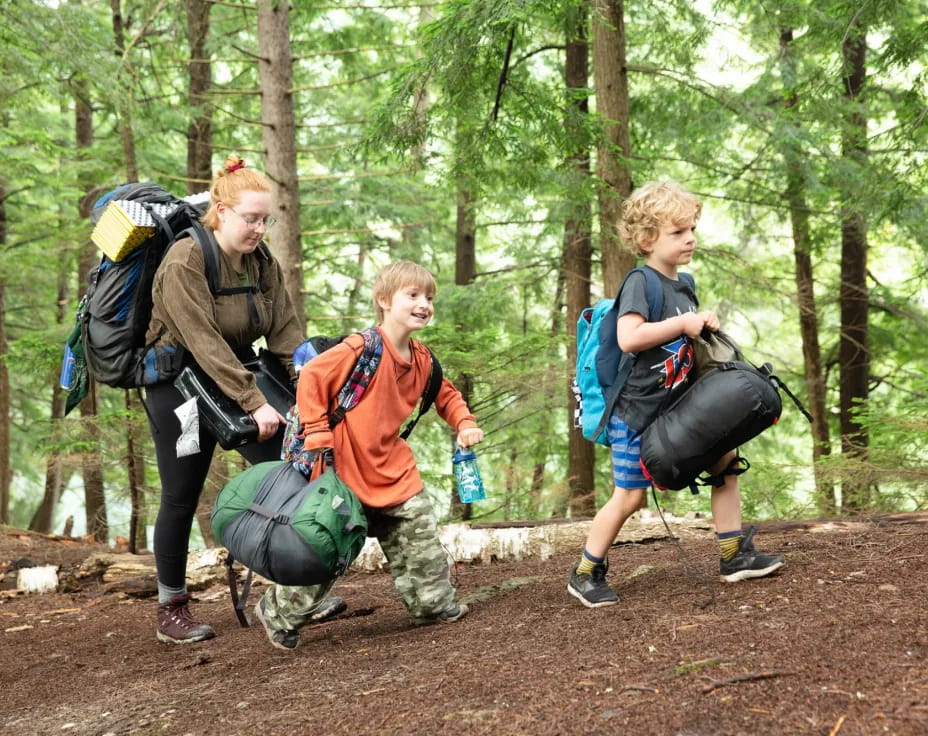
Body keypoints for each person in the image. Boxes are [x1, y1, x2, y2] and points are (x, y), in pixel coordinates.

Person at [145, 155, 341, 643]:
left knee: (290, 469)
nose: (259, 228)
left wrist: (310, 386)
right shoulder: (185, 260)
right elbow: (202, 340)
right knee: (181, 492)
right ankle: (171, 607)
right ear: (221, 210)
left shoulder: (261, 261)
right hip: (179, 387)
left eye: (265, 219)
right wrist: (254, 403)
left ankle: (293, 592)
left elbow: (285, 331)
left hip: (237, 377)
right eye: (251, 218)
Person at [567, 180, 784, 608]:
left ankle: (732, 554)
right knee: (629, 496)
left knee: (726, 463)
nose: (691, 239)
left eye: (693, 230)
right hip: (634, 414)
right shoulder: (640, 282)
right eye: (679, 232)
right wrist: (682, 326)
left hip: (678, 406)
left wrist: (702, 323)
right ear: (648, 238)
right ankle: (585, 571)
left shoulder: (683, 285)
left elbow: (687, 341)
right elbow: (630, 338)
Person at [253, 261, 484, 650]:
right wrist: (318, 433)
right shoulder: (361, 348)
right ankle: (277, 612)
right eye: (412, 295)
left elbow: (445, 394)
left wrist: (463, 422)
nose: (423, 303)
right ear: (384, 301)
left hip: (393, 468)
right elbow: (311, 378)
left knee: (419, 537)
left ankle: (431, 605)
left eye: (428, 297)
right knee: (328, 551)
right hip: (342, 469)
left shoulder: (424, 360)